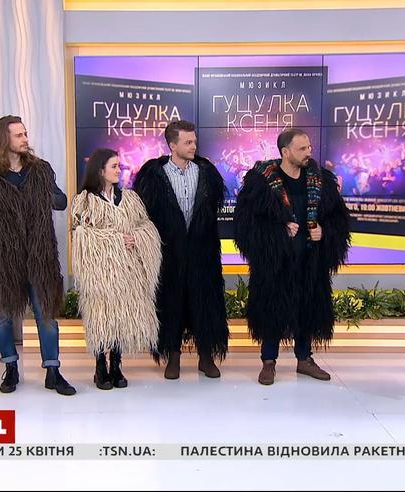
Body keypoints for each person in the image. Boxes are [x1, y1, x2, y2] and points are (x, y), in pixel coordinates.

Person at [0, 115, 75, 396]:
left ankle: (53, 371)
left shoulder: (40, 170)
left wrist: (43, 192)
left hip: (39, 255)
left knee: (46, 314)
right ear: (4, 139)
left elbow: (61, 202)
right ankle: (10, 367)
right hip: (2, 258)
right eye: (19, 135)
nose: (25, 139)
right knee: (3, 316)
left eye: (25, 133)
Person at [234, 128, 351, 385]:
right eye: (302, 149)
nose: (309, 152)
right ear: (285, 152)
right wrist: (278, 231)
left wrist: (325, 232)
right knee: (271, 310)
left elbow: (339, 220)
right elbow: (246, 226)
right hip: (276, 264)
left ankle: (304, 359)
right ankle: (268, 361)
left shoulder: (321, 180)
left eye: (309, 147)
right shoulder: (261, 182)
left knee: (307, 309)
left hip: (310, 262)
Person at [133, 120, 229, 379]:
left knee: (205, 303)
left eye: (194, 141)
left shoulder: (207, 172)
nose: (193, 146)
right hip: (168, 253)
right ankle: (172, 356)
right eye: (188, 142)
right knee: (170, 302)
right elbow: (143, 214)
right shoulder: (154, 175)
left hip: (203, 253)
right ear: (172, 145)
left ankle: (206, 357)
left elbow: (212, 210)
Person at [70, 148, 162, 390]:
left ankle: (116, 364)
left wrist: (137, 238)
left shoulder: (129, 199)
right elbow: (82, 235)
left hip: (128, 272)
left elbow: (147, 226)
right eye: (114, 166)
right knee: (101, 318)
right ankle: (100, 366)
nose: (119, 170)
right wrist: (114, 240)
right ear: (100, 170)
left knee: (122, 316)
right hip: (100, 274)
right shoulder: (85, 201)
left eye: (119, 166)